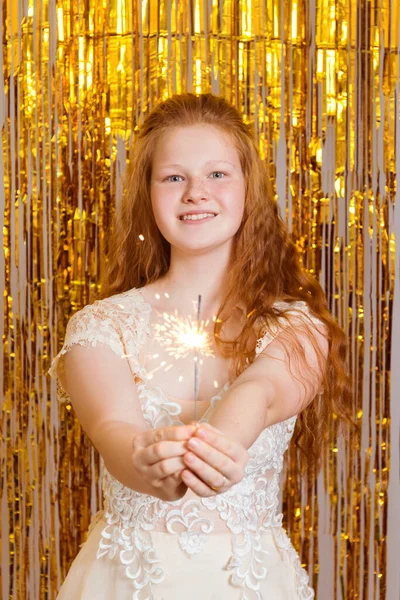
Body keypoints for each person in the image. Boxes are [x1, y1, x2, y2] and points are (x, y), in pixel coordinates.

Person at [48, 92, 352, 599]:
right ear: (148, 194)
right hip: (124, 583)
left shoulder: (296, 326)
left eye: (216, 174)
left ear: (248, 188)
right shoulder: (102, 326)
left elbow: (263, 389)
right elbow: (112, 426)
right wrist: (145, 465)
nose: (195, 192)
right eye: (173, 177)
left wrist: (223, 443)